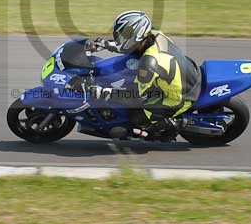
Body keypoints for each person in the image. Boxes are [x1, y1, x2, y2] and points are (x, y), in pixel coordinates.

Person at [85, 10, 202, 140]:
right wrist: (103, 44)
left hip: (181, 96)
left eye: (124, 35)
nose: (121, 38)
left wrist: (103, 92)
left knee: (136, 116)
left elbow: (134, 97)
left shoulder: (149, 63)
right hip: (182, 74)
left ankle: (168, 126)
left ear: (138, 33)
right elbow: (128, 45)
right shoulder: (153, 34)